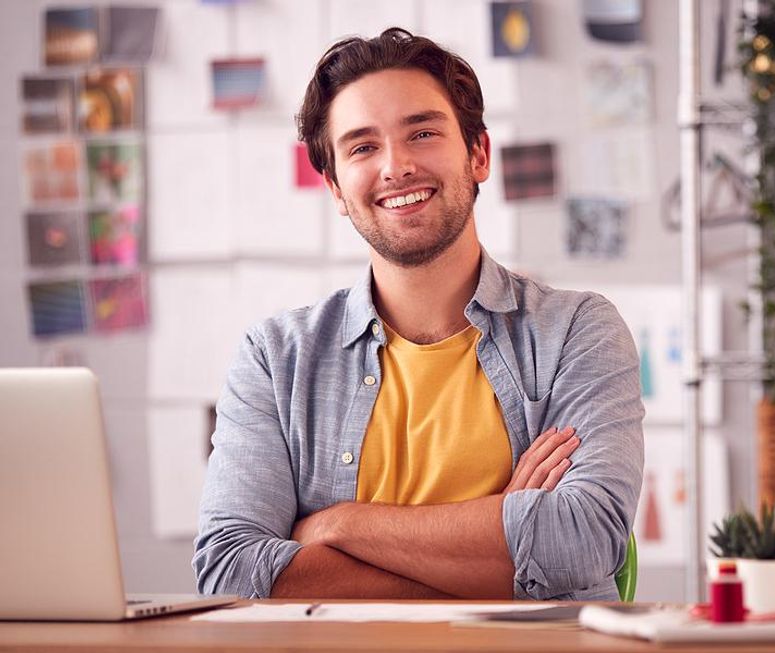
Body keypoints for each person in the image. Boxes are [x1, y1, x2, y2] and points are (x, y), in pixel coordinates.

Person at [193, 28, 644, 602]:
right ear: (334, 186)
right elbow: (230, 569)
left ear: (478, 154)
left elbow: (584, 540)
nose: (396, 166)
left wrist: (340, 525)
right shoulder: (277, 357)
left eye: (423, 133)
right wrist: (500, 543)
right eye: (362, 147)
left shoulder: (577, 332)